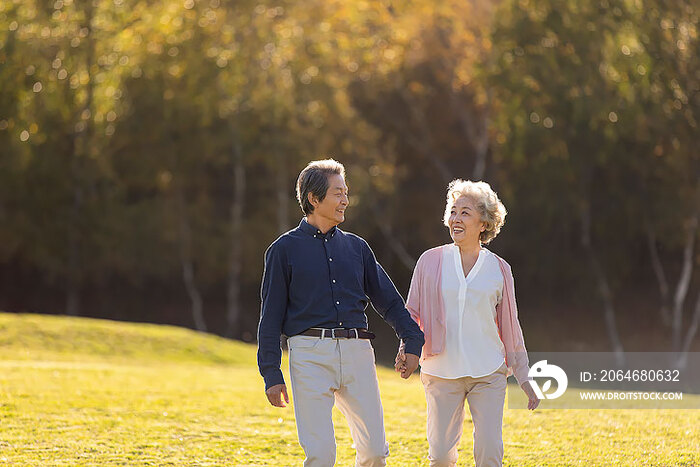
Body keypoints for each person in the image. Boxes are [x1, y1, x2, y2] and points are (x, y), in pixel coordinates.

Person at [257, 159, 425, 467]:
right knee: (321, 455)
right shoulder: (283, 250)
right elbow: (270, 317)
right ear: (314, 198)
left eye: (346, 192)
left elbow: (389, 301)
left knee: (375, 451)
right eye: (338, 193)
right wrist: (271, 372)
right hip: (309, 354)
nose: (345, 200)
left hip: (357, 352)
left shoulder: (357, 248)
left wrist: (411, 340)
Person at [395, 179, 539, 467]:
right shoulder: (429, 261)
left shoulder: (499, 269)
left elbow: (511, 326)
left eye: (465, 213)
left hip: (487, 372)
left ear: (484, 223)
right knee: (440, 456)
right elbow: (411, 313)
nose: (456, 218)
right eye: (453, 211)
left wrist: (523, 375)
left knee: (489, 452)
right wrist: (407, 351)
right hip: (441, 371)